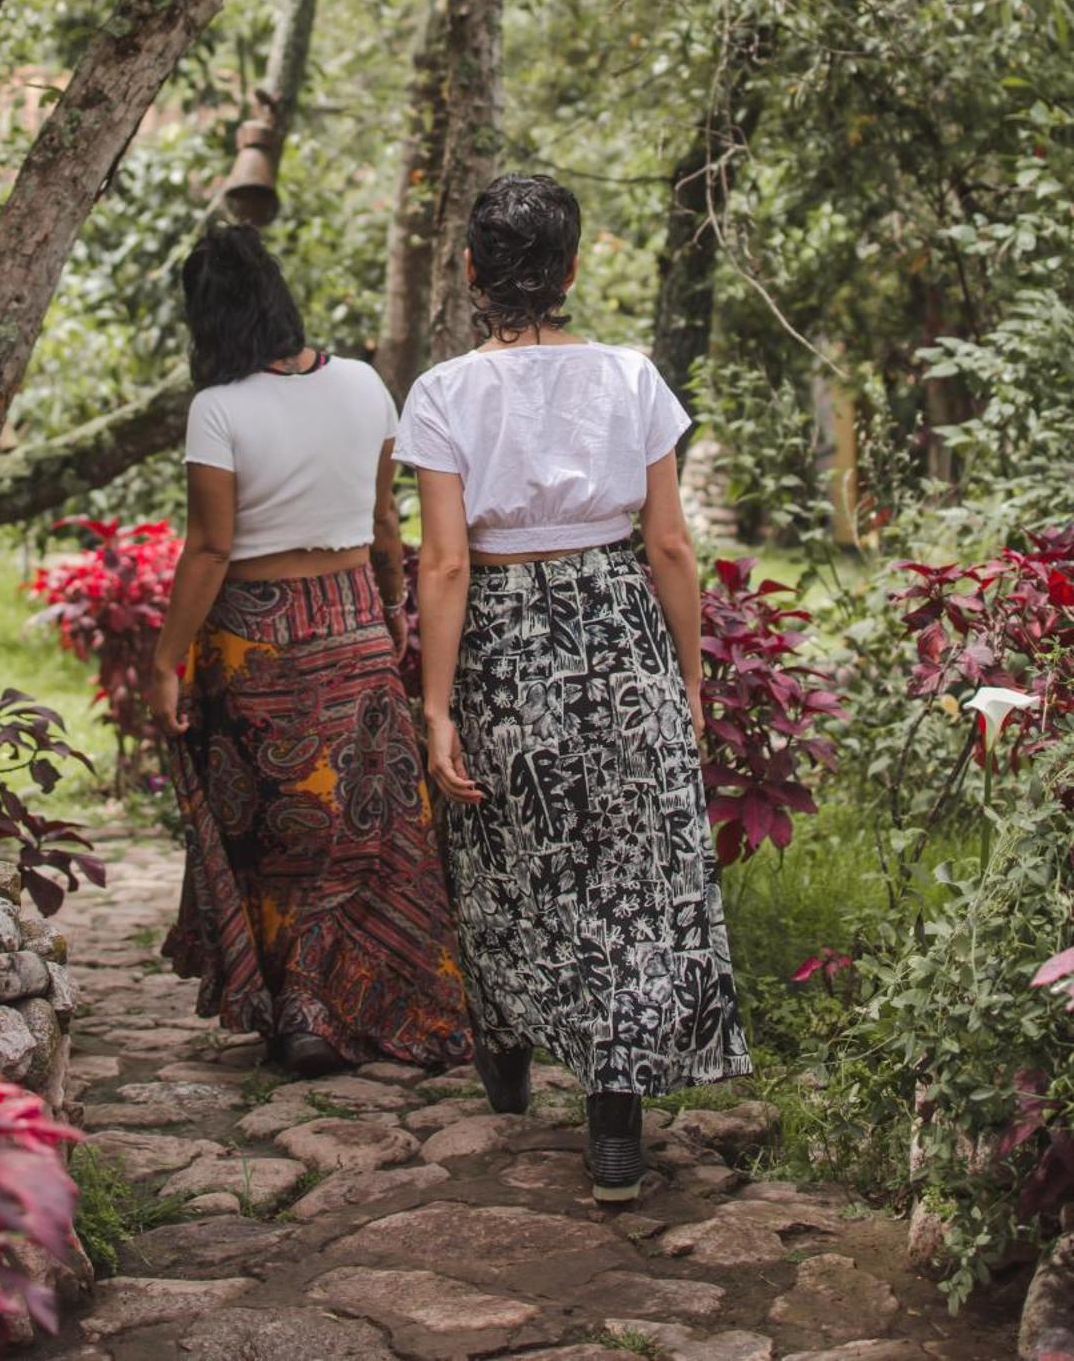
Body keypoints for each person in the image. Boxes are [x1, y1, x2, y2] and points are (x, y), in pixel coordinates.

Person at [395, 173, 751, 1198]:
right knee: (626, 871)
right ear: (571, 269)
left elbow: (446, 562)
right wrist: (683, 675)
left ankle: (508, 1055)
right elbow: (671, 543)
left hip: (502, 634)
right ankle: (613, 1129)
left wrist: (435, 701)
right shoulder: (631, 377)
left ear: (470, 270)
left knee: (506, 850)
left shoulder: (444, 393)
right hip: (616, 624)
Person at [151, 223, 471, 1078]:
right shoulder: (365, 385)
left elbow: (210, 549)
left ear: (209, 319)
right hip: (354, 621)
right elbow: (381, 522)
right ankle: (366, 1000)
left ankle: (296, 1012)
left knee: (271, 830)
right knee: (366, 831)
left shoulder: (217, 409)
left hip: (253, 639)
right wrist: (395, 609)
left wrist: (163, 661)